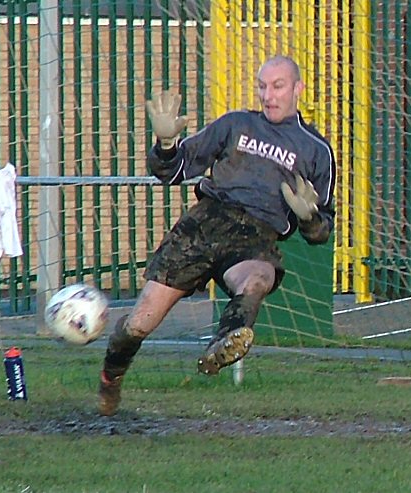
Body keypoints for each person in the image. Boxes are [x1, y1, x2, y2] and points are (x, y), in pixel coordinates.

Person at [98, 55, 336, 416]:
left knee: (258, 277)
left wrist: (310, 218)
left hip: (254, 237)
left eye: (278, 86)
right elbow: (174, 170)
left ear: (298, 88)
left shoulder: (316, 150)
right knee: (138, 324)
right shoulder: (235, 124)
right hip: (205, 224)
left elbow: (321, 232)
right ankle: (109, 381)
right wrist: (165, 144)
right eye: (262, 86)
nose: (268, 95)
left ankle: (226, 340)